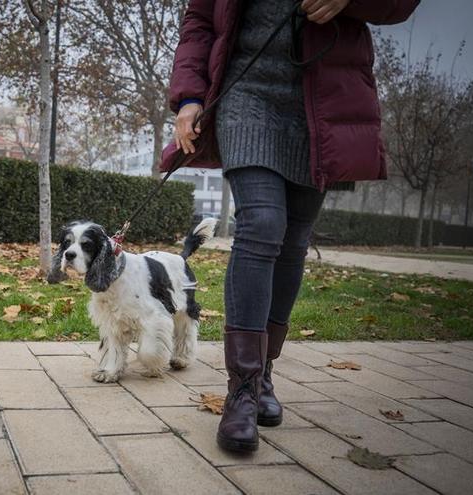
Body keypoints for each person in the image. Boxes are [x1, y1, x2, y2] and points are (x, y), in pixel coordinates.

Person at [163, 0, 420, 453]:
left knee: (293, 240)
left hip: (323, 99)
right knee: (261, 225)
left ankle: (263, 375)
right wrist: (188, 96)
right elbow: (201, 18)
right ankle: (241, 391)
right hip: (246, 91)